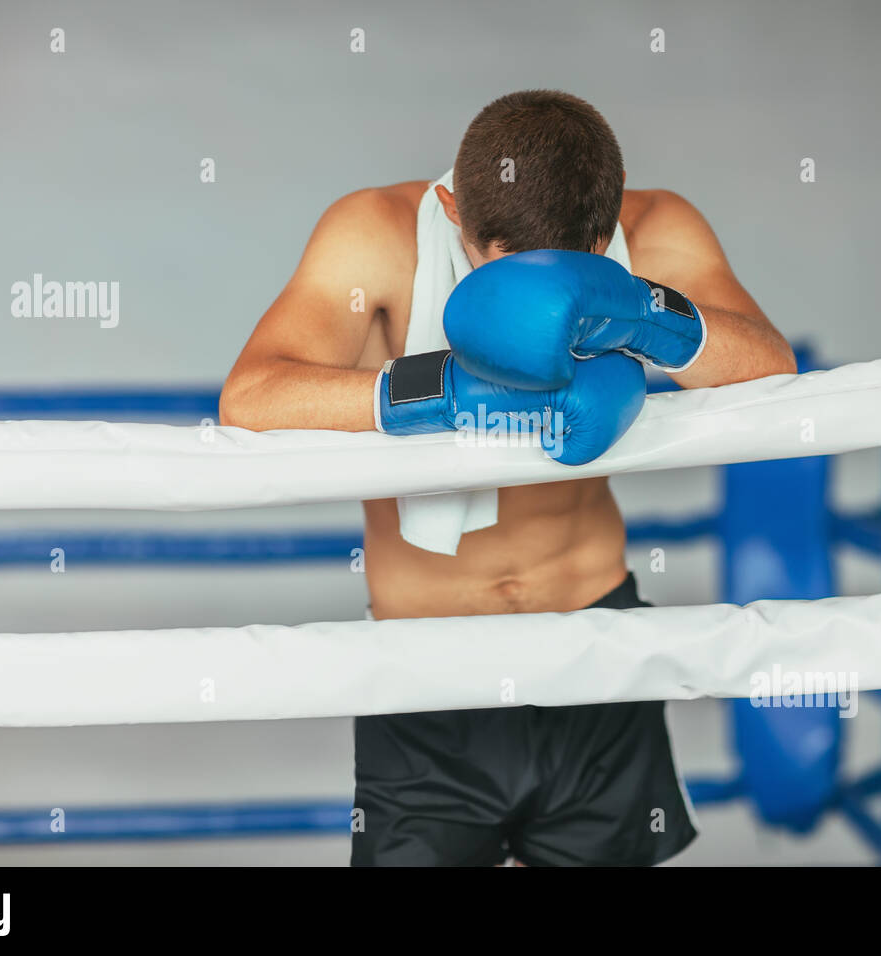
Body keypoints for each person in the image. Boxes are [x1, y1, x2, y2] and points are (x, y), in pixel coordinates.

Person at [220, 89, 796, 865]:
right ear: (453, 210)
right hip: (428, 677)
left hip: (595, 646)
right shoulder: (374, 235)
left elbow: (771, 367)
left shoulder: (655, 229)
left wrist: (644, 312)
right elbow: (252, 396)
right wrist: (445, 393)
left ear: (607, 227)